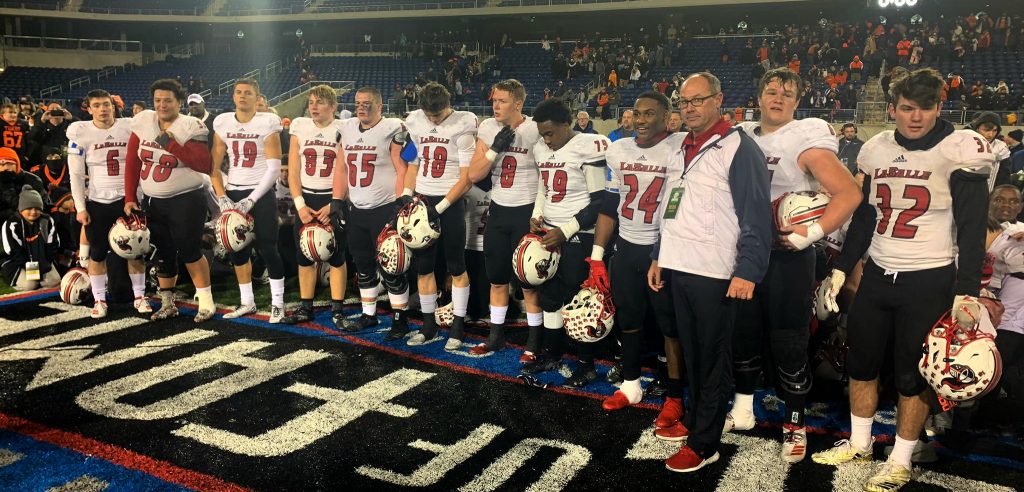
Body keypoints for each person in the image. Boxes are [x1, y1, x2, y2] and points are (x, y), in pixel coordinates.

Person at [812, 68, 994, 492]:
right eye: (907, 108)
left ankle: (900, 458)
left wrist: (967, 290)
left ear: (939, 107)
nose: (916, 117)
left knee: (913, 374)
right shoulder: (875, 148)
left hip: (928, 278)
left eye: (925, 108)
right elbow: (865, 218)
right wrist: (843, 266)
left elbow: (971, 228)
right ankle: (860, 443)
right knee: (861, 363)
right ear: (891, 109)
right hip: (878, 273)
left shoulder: (959, 147)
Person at [727, 67, 861, 463]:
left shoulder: (804, 136)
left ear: (797, 101)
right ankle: (744, 408)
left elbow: (849, 193)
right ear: (759, 96)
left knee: (789, 342)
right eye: (771, 90)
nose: (778, 98)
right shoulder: (743, 134)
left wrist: (810, 234)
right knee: (744, 335)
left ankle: (795, 421)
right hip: (746, 253)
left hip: (786, 256)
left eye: (787, 93)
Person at [648, 72, 772, 473]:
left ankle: (706, 444)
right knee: (693, 354)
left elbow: (756, 214)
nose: (689, 108)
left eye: (698, 100)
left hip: (717, 271)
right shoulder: (683, 145)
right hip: (680, 264)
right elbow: (672, 204)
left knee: (713, 358)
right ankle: (699, 419)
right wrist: (658, 254)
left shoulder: (739, 147)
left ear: (719, 100)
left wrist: (748, 270)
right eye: (684, 102)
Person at [595, 91, 688, 430]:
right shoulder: (618, 149)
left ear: (667, 117)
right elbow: (609, 204)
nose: (642, 119)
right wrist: (597, 256)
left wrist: (662, 253)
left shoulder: (678, 147)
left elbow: (676, 205)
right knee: (629, 320)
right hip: (626, 247)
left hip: (661, 250)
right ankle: (631, 385)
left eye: (651, 113)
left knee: (670, 328)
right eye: (637, 113)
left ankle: (675, 397)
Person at [519, 97, 609, 386]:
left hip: (577, 236)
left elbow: (599, 202)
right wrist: (537, 215)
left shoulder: (587, 146)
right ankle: (554, 352)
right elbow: (545, 189)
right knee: (549, 297)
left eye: (550, 133)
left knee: (577, 302)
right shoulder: (541, 149)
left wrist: (566, 230)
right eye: (542, 134)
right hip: (550, 233)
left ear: (566, 124)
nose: (546, 140)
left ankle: (587, 363)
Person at [124, 78, 215, 322]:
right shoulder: (143, 121)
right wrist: (130, 196)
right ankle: (167, 303)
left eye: (168, 100)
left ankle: (206, 302)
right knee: (162, 252)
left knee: (189, 250)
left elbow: (202, 164)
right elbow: (133, 161)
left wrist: (169, 142)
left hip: (185, 200)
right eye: (158, 100)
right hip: (153, 201)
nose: (162, 105)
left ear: (179, 102)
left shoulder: (191, 125)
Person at [465, 79, 543, 356]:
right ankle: (495, 336)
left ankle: (534, 342)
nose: (495, 106)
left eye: (502, 101)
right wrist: (494, 148)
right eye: (494, 100)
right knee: (497, 279)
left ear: (518, 103)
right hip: (498, 210)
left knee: (528, 281)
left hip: (526, 210)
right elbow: (474, 175)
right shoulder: (488, 128)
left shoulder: (535, 129)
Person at [401, 82, 478, 349]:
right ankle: (428, 325)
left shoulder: (464, 123)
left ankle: (457, 328)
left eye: (438, 114)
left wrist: (441, 207)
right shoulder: (415, 121)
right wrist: (407, 193)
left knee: (457, 264)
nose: (433, 119)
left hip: (450, 202)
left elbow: (466, 178)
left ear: (448, 104)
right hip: (422, 201)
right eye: (429, 115)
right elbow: (412, 162)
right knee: (424, 267)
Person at [68, 89, 152, 318]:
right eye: (97, 105)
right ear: (89, 108)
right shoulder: (80, 131)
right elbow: (75, 174)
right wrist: (80, 207)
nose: (103, 109)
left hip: (128, 200)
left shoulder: (129, 126)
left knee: (135, 251)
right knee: (97, 253)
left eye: (106, 104)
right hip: (98, 200)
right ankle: (99, 299)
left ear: (113, 106)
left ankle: (139, 296)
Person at [333, 86, 410, 334]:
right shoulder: (346, 128)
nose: (361, 107)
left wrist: (402, 200)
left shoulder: (393, 128)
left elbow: (403, 167)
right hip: (357, 208)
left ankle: (400, 317)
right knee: (363, 264)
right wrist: (337, 199)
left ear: (379, 105)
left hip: (385, 208)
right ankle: (369, 315)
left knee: (393, 264)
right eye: (358, 103)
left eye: (367, 103)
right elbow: (342, 168)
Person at [210, 78, 288, 323]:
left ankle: (278, 304)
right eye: (238, 92)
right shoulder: (222, 122)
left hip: (260, 194)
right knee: (237, 250)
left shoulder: (267, 122)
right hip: (233, 192)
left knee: (268, 248)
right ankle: (247, 302)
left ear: (257, 98)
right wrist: (222, 196)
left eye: (248, 93)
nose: (242, 96)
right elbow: (213, 166)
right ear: (233, 96)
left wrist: (251, 199)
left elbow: (274, 168)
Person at [0, 185, 60, 291]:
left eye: (37, 208)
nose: (33, 212)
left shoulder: (47, 221)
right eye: (29, 208)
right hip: (17, 263)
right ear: (20, 209)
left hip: (43, 262)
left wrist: (43, 266)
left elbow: (53, 246)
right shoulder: (11, 224)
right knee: (30, 285)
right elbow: (13, 251)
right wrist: (32, 269)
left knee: (54, 282)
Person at [0, 148, 48, 222]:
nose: (6, 167)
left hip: (29, 222)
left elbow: (42, 205)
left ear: (17, 165)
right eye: (1, 164)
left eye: (10, 163)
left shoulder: (33, 180)